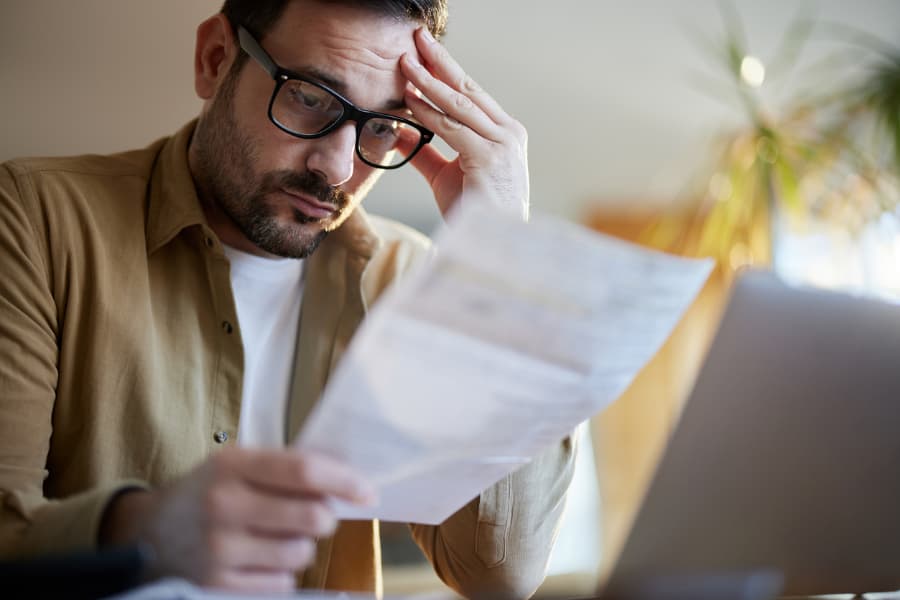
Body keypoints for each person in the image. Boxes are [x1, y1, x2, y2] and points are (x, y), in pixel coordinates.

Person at [0, 0, 575, 597]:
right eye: (309, 97)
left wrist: (504, 256)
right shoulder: (33, 219)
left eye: (382, 126)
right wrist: (144, 529)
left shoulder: (408, 281)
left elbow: (499, 573)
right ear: (215, 59)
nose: (337, 167)